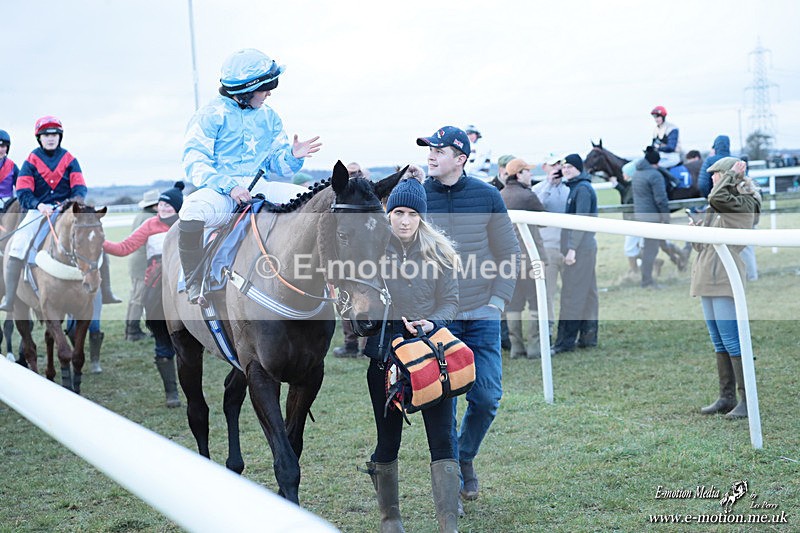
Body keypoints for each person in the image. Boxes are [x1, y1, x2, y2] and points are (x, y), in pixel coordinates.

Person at [418, 125, 519, 504]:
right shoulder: (417, 195)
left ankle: (464, 456)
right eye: (429, 149)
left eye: (439, 150)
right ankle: (452, 482)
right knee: (444, 403)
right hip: (437, 320)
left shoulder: (488, 195)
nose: (431, 155)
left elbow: (509, 253)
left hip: (481, 315)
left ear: (460, 158)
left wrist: (498, 303)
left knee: (487, 397)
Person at [179, 48, 321, 303]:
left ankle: (324, 276)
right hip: (220, 192)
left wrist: (293, 156)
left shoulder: (269, 116)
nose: (269, 93)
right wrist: (230, 187)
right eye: (265, 88)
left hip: (260, 187)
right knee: (191, 210)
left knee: (312, 201)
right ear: (247, 90)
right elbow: (194, 162)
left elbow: (278, 166)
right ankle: (193, 280)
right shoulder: (209, 115)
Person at [362, 177, 460, 533]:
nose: (405, 220)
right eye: (399, 212)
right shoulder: (369, 251)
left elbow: (450, 301)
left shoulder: (440, 252)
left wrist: (432, 322)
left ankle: (449, 524)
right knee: (388, 440)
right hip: (386, 359)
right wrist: (372, 317)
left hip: (431, 357)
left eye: (413, 214)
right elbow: (358, 308)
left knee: (443, 439)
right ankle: (390, 520)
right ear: (388, 213)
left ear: (422, 216)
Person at [104, 182, 186, 407]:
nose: (163, 208)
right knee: (162, 339)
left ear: (177, 208)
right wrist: (99, 241)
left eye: (168, 205)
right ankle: (171, 393)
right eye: (161, 204)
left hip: (182, 283)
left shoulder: (185, 224)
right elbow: (124, 248)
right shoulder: (150, 224)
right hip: (156, 287)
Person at [690, 158, 761, 419]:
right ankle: (726, 396)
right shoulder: (717, 204)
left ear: (729, 176)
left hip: (724, 276)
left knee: (732, 340)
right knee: (718, 340)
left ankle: (747, 399)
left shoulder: (744, 201)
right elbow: (702, 246)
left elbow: (717, 196)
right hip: (706, 275)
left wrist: (731, 174)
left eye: (715, 174)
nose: (711, 178)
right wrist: (695, 233)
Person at [0, 116, 91, 312]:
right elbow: (23, 191)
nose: (50, 138)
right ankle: (9, 297)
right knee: (17, 245)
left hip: (65, 211)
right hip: (38, 211)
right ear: (39, 138)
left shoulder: (70, 159)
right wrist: (38, 205)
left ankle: (105, 290)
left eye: (54, 135)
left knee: (92, 241)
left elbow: (80, 187)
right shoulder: (30, 160)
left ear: (60, 137)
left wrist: (70, 203)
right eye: (46, 135)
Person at [551, 154, 599, 354]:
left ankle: (565, 342)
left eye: (570, 166)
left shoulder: (582, 190)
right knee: (588, 294)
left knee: (572, 295)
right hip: (584, 248)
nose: (566, 170)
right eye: (564, 167)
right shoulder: (577, 187)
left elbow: (581, 221)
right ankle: (588, 338)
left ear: (579, 168)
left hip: (580, 250)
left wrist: (572, 249)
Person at [500, 158, 546, 358]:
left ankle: (516, 347)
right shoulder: (528, 196)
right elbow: (544, 220)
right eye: (527, 171)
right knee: (537, 302)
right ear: (518, 174)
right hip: (530, 259)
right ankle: (535, 347)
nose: (531, 174)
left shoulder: (500, 195)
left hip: (507, 262)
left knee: (514, 304)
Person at [532, 155, 570, 337]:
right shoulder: (538, 188)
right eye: (553, 165)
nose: (557, 168)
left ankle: (567, 331)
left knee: (570, 293)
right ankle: (546, 331)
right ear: (545, 167)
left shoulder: (569, 188)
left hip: (567, 247)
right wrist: (548, 184)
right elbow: (536, 208)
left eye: (559, 164)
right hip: (548, 248)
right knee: (547, 294)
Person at [632, 147, 671, 289]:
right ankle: (647, 281)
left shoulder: (637, 173)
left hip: (640, 215)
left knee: (648, 248)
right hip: (652, 217)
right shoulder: (655, 175)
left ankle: (646, 279)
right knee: (651, 250)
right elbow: (661, 199)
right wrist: (666, 217)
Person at [125, 189, 160, 342]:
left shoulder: (140, 216)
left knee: (135, 296)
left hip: (137, 262)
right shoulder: (151, 219)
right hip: (143, 263)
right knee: (139, 297)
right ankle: (133, 331)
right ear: (155, 205)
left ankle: (131, 329)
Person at [0, 129, 19, 208]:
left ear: (7, 148)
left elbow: (21, 185)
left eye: (3, 146)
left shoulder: (12, 166)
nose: (0, 150)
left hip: (7, 204)